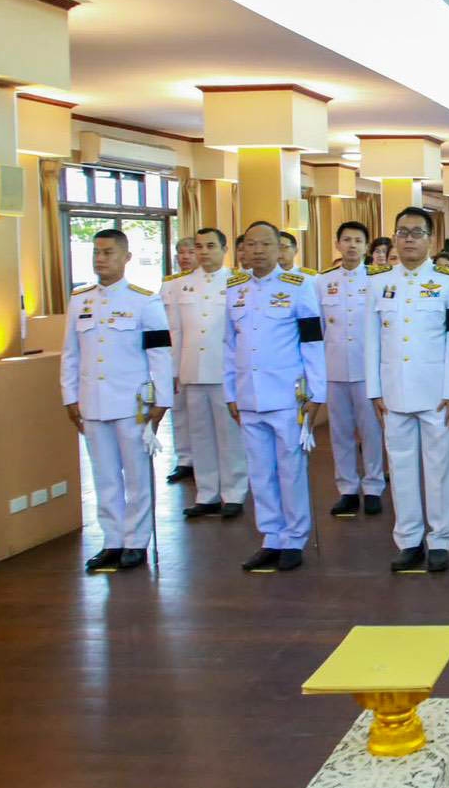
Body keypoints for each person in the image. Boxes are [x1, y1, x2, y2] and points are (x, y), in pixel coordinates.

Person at [61, 229, 174, 573]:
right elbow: (71, 354)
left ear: (126, 257)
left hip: (132, 404)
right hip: (93, 402)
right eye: (96, 252)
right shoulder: (80, 300)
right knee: (105, 476)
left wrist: (162, 400)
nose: (100, 259)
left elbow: (160, 354)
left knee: (137, 476)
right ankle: (112, 540)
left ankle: (136, 542)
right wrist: (69, 396)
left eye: (108, 252)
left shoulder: (144, 301)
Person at [367, 206, 449, 573]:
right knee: (401, 467)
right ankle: (408, 540)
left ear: (430, 239)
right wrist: (374, 390)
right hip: (394, 391)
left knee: (439, 468)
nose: (408, 239)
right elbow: (371, 340)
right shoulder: (378, 283)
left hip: (436, 393)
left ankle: (440, 539)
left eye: (416, 233)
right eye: (402, 232)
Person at [224, 221, 327, 572]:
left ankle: (295, 538)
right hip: (248, 395)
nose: (257, 251)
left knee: (290, 469)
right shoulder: (234, 289)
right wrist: (230, 391)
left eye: (265, 244)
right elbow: (229, 345)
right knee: (259, 472)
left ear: (279, 247)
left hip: (287, 394)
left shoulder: (298, 286)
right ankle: (271, 536)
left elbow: (312, 342)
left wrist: (317, 392)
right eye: (251, 244)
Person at [166, 227, 248, 520]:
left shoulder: (240, 282)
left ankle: (234, 492)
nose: (203, 252)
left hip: (225, 371)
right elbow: (175, 332)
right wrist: (174, 370)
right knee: (199, 435)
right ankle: (206, 494)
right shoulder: (180, 285)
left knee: (229, 436)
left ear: (224, 250)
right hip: (192, 370)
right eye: (199, 246)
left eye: (210, 246)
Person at [319, 221, 387, 518]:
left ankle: (373, 487)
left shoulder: (377, 279)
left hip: (366, 369)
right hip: (334, 367)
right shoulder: (322, 281)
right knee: (340, 433)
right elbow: (319, 328)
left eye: (358, 241)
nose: (351, 245)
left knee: (371, 430)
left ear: (366, 246)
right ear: (337, 244)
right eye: (346, 240)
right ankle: (347, 488)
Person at [161, 237, 198, 484]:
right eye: (180, 253)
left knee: (203, 414)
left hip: (198, 356)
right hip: (174, 356)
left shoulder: (211, 283)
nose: (184, 257)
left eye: (190, 252)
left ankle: (207, 460)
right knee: (179, 410)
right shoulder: (169, 284)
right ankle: (185, 459)